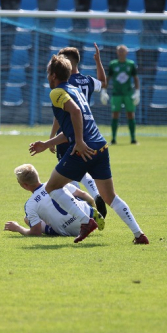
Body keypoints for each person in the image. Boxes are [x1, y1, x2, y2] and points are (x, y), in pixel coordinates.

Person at [29, 54, 149, 244]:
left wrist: (78, 142)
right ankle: (139, 234)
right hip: (100, 145)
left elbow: (76, 113)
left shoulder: (56, 93)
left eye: (47, 73)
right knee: (110, 196)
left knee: (52, 186)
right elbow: (72, 126)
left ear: (52, 75)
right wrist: (47, 144)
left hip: (82, 149)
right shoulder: (75, 90)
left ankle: (86, 221)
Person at [50, 44, 107, 217]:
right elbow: (104, 83)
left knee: (67, 173)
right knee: (78, 169)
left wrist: (51, 137)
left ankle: (81, 213)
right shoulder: (87, 80)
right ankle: (95, 196)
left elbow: (60, 115)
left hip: (69, 130)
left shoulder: (66, 83)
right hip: (88, 130)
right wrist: (98, 62)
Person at [4, 164, 105, 237]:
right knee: (75, 196)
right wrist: (93, 205)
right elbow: (84, 195)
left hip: (70, 230)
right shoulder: (55, 183)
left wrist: (17, 228)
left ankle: (62, 224)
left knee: (27, 219)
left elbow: (36, 232)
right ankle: (92, 213)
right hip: (87, 215)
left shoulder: (30, 204)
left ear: (25, 185)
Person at [100, 45, 140, 145]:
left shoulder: (131, 64)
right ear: (117, 53)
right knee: (115, 115)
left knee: (130, 114)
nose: (121, 52)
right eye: (120, 51)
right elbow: (108, 78)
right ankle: (113, 139)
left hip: (128, 93)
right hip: (116, 93)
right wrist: (103, 90)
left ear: (127, 52)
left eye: (123, 51)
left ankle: (133, 139)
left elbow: (135, 78)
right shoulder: (113, 64)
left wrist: (137, 92)